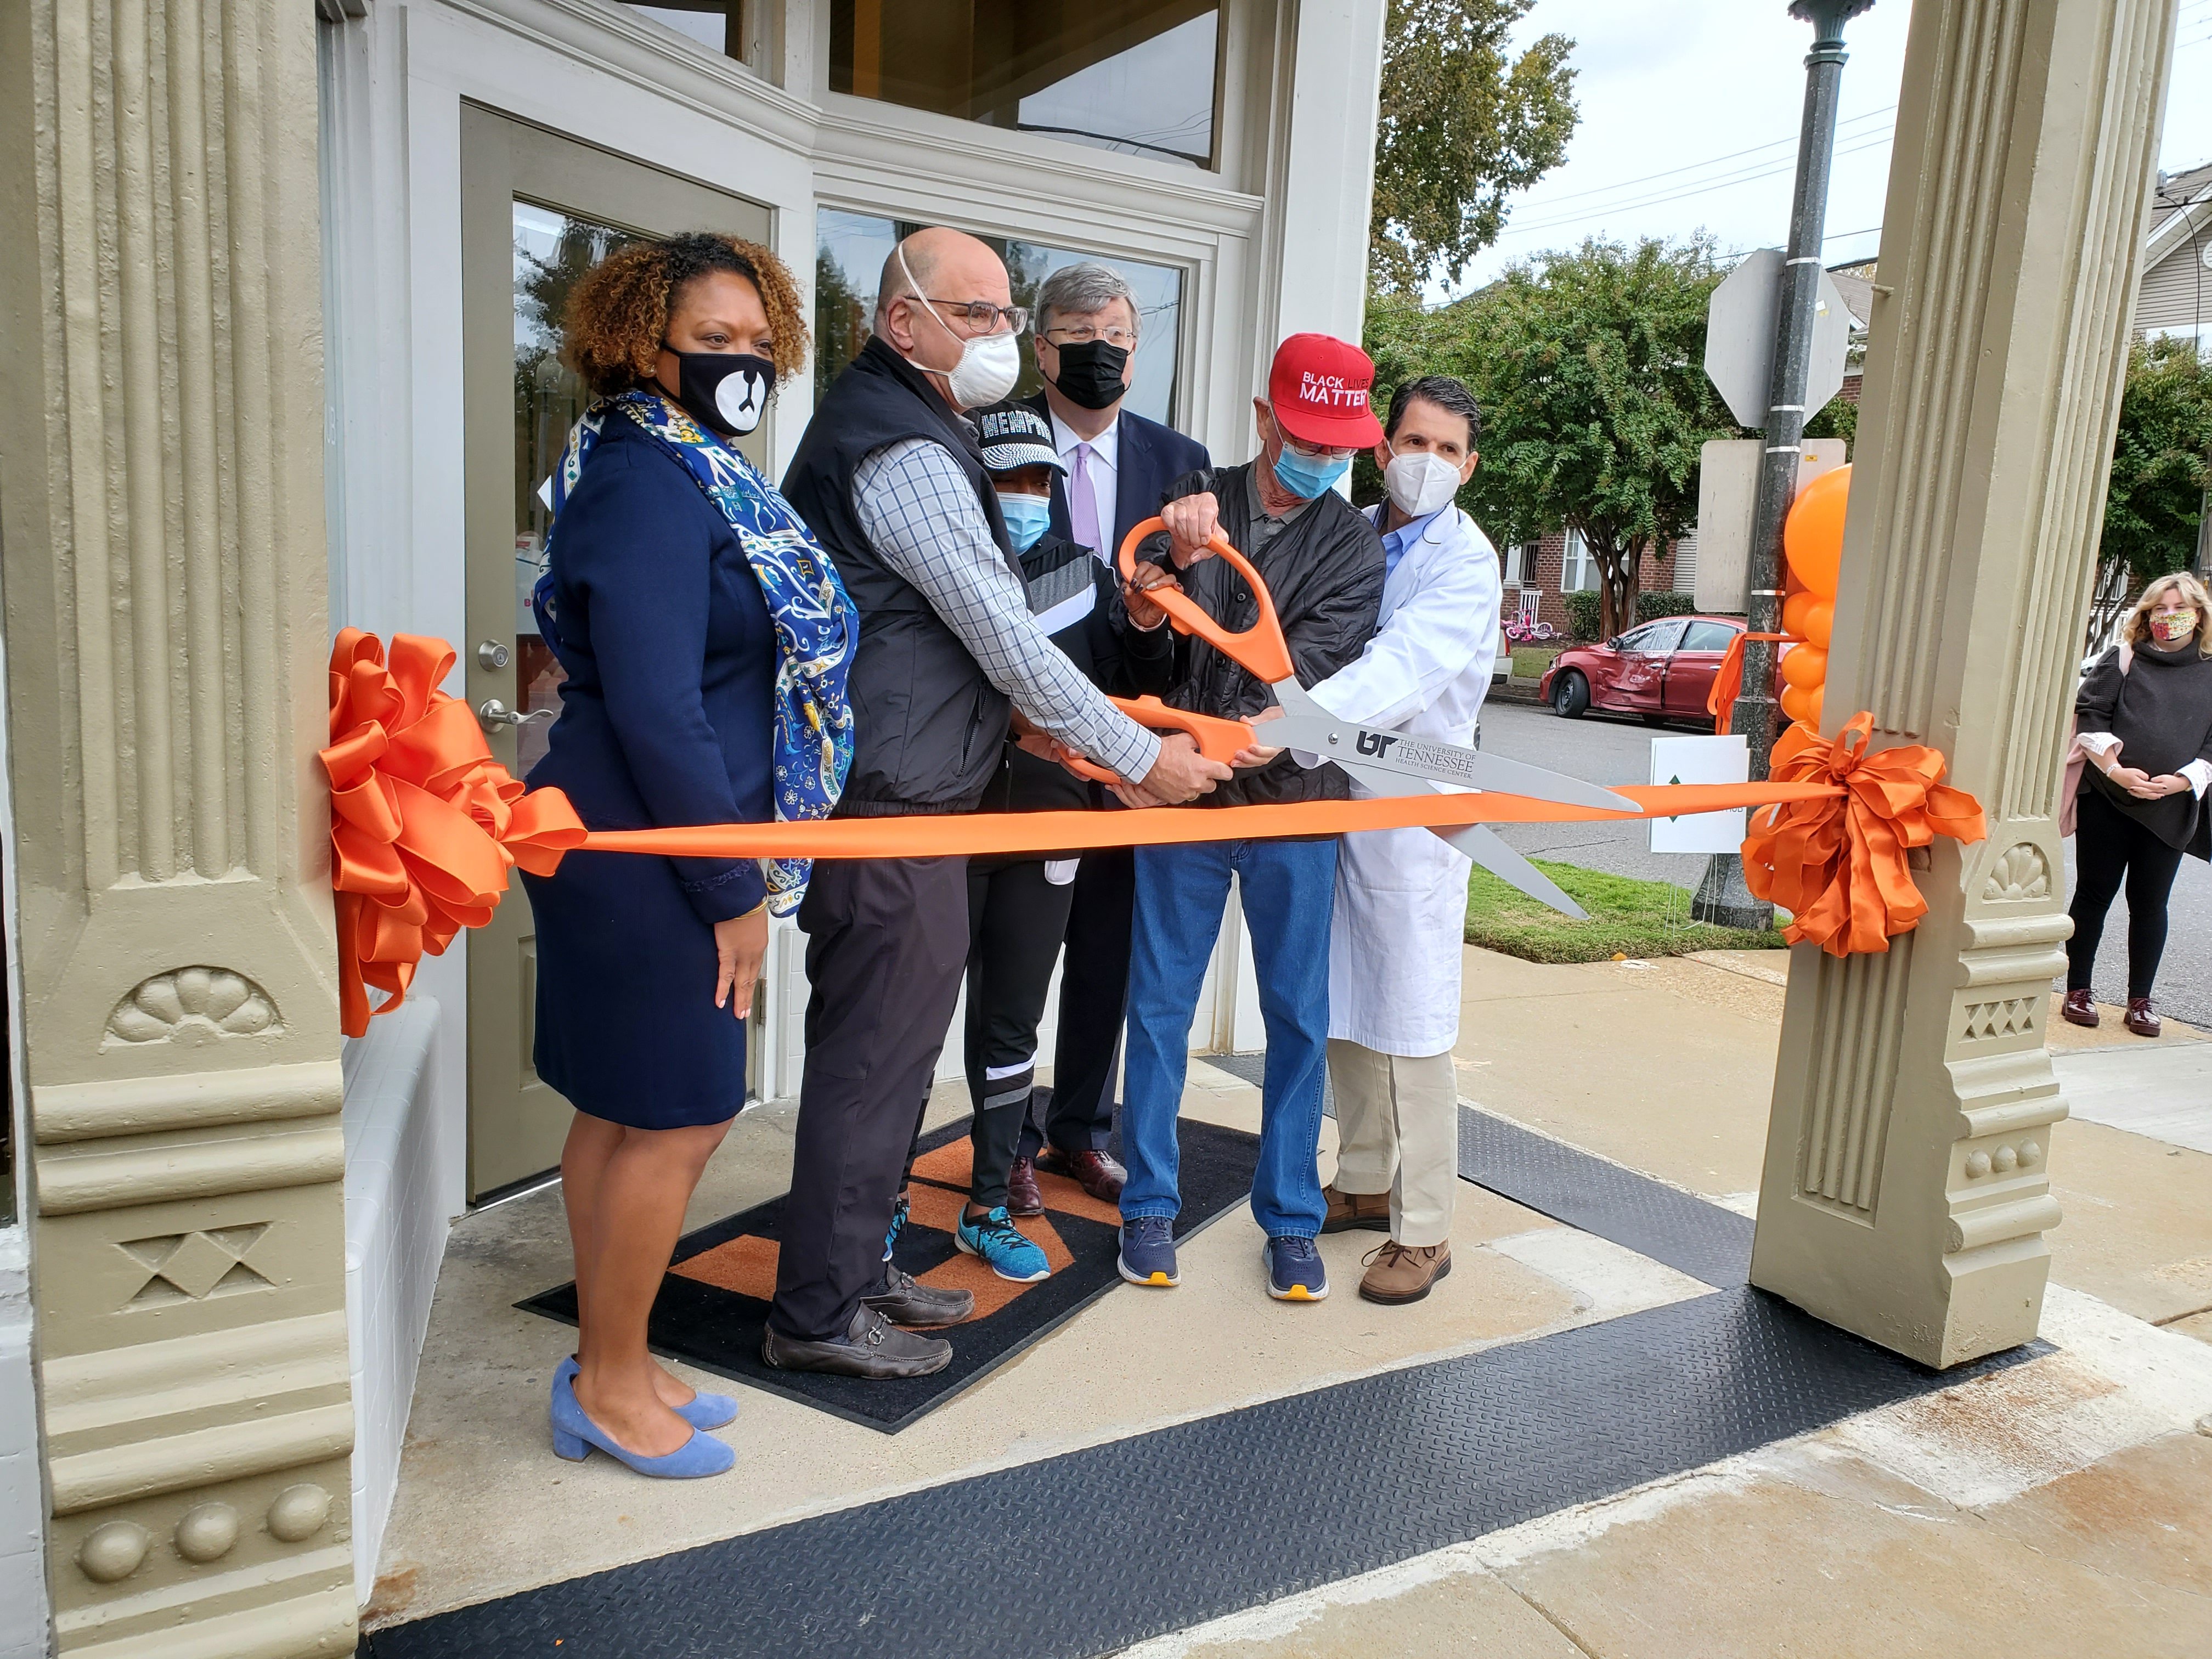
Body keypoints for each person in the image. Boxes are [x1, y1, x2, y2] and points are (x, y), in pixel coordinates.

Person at [769, 228, 1231, 1380]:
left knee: (889, 1055)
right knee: (873, 1065)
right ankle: (819, 1315)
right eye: (974, 315)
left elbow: (968, 651)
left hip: (920, 797)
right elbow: (1001, 633)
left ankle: (853, 1275)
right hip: (894, 811)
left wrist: (1080, 734)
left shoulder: (920, 429)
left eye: (1004, 316)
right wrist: (1138, 757)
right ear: (902, 321)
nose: (1001, 338)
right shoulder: (902, 448)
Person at [520, 233, 850, 1479]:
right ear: (638, 342)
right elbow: (661, 707)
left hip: (635, 836)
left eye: (759, 344)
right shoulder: (652, 484)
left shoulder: (680, 469)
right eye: (714, 342)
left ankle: (617, 1351)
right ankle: (607, 1384)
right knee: (683, 1118)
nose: (743, 364)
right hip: (652, 852)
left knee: (623, 1114)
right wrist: (731, 894)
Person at [1111, 332, 1388, 1305]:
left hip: (1293, 809)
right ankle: (1147, 1203)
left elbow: (1299, 684)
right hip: (1179, 807)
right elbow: (1141, 653)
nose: (1319, 458)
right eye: (1303, 435)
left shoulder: (1356, 546)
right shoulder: (1191, 499)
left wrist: (1226, 740)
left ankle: (1291, 1220)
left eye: (1338, 444)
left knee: (1296, 1019)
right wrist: (1156, 589)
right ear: (1264, 420)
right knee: (1157, 1007)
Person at [885, 400, 1142, 1283]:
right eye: (1006, 482)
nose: (1025, 497)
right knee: (909, 1024)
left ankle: (988, 1203)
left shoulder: (1086, 572)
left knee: (1012, 1026)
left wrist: (1146, 625)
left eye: (1040, 481)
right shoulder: (937, 565)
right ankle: (878, 1206)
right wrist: (1010, 730)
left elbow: (1124, 692)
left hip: (1050, 831)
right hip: (945, 823)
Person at [1294, 376, 1496, 1306]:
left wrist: (1285, 720)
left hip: (1416, 807)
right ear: (1382, 447)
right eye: (1413, 440)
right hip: (1334, 796)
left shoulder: (1466, 561)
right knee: (1343, 999)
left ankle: (1425, 1227)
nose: (1427, 461)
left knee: (1412, 1020)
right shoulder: (1345, 531)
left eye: (1446, 449)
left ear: (1469, 465)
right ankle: (1366, 1174)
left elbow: (1401, 669)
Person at [1013, 263, 1211, 1211]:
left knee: (1105, 953)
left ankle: (1077, 1130)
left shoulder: (1182, 465)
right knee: (1014, 956)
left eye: (1121, 334)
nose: (1106, 349)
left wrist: (1152, 609)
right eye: (1083, 332)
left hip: (1138, 754)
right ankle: (1001, 1140)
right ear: (1041, 345)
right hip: (1027, 748)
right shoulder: (993, 446)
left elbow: (1191, 621)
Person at [2063, 571, 2212, 1038]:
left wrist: (2182, 782)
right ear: (2146, 616)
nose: (2169, 617)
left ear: (2200, 615)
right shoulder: (2123, 658)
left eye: (2179, 608)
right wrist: (2116, 771)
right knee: (2093, 894)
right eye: (2159, 609)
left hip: (2171, 808)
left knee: (2151, 904)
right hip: (2107, 798)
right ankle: (2078, 989)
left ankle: (2141, 1001)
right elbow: (2092, 715)